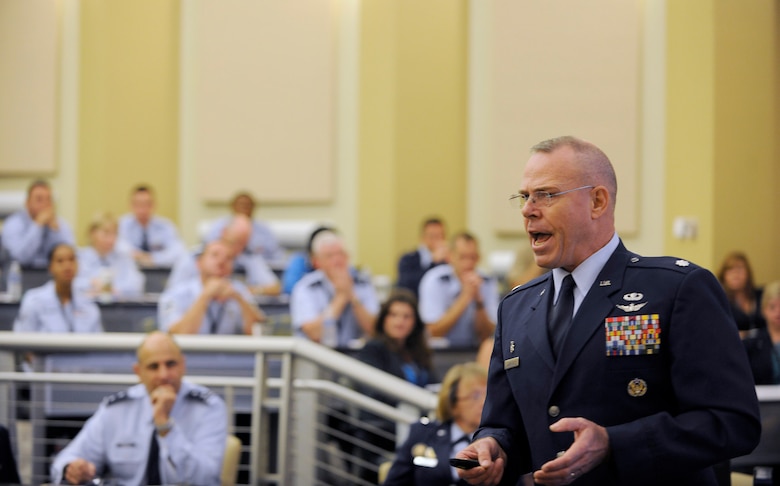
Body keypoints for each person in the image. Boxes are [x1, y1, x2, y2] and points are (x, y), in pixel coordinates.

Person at [455, 136, 760, 486]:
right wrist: (494, 447)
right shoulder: (516, 307)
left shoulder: (677, 289)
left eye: (547, 195)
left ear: (597, 201)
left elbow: (733, 422)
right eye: (525, 197)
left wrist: (614, 444)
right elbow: (506, 424)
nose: (528, 209)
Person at [50, 331, 227, 485]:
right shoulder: (117, 409)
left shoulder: (208, 407)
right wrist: (72, 468)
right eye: (153, 367)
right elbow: (67, 458)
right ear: (138, 372)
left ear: (183, 365)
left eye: (171, 364)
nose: (164, 375)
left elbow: (205, 478)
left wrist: (166, 427)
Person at [383, 362, 487, 486]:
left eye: (487, 395)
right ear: (453, 402)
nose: (484, 403)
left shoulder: (495, 440)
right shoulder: (423, 433)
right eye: (475, 396)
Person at [290, 231, 379, 347]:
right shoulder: (305, 288)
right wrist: (340, 298)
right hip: (316, 356)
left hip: (357, 357)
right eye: (330, 256)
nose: (338, 260)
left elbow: (375, 330)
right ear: (316, 262)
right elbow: (315, 333)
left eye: (341, 254)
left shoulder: (363, 284)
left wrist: (352, 296)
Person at [158, 240, 265, 335]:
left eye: (228, 258)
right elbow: (176, 336)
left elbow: (257, 333)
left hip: (231, 356)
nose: (222, 261)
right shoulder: (176, 294)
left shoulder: (239, 291)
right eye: (215, 255)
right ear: (198, 263)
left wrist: (238, 299)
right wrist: (205, 296)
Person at [418, 232, 499, 348]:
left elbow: (489, 335)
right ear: (450, 256)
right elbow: (433, 331)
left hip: (475, 350)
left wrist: (479, 302)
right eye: (462, 257)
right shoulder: (434, 280)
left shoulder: (487, 281)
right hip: (441, 353)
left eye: (473, 257)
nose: (468, 263)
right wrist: (465, 297)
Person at [168, 214, 281, 296]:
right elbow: (173, 292)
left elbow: (274, 287)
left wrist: (244, 291)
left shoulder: (248, 256)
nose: (237, 249)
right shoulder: (195, 256)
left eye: (243, 244)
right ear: (224, 232)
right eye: (235, 242)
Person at [13, 243, 102, 333]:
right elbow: (21, 339)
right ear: (50, 267)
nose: (67, 266)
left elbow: (98, 343)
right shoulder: (34, 301)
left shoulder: (89, 305)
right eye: (60, 261)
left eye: (71, 259)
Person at [2, 179, 75, 267]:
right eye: (39, 199)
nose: (45, 204)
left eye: (49, 199)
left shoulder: (61, 225)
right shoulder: (12, 225)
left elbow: (69, 258)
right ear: (27, 203)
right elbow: (19, 259)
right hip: (23, 275)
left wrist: (56, 232)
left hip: (51, 277)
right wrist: (37, 225)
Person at [204, 191, 286, 264]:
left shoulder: (264, 230)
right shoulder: (219, 225)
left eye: (248, 205)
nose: (244, 208)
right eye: (241, 204)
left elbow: (276, 255)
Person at [77, 212, 145, 299]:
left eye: (114, 234)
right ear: (92, 233)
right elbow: (70, 284)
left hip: (119, 309)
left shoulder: (124, 258)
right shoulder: (79, 258)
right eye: (106, 233)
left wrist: (115, 290)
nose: (111, 239)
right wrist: (90, 284)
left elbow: (137, 284)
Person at [117, 185, 187, 268]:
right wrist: (137, 255)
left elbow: (178, 251)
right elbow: (117, 247)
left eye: (146, 204)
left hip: (159, 272)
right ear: (131, 205)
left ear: (153, 205)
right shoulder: (121, 225)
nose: (142, 209)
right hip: (130, 271)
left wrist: (153, 259)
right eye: (138, 204)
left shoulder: (165, 226)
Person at [397, 217, 449, 296]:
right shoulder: (408, 259)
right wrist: (433, 262)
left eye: (440, 236)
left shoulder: (448, 260)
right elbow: (406, 285)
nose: (437, 240)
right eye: (432, 236)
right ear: (422, 237)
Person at [717, 251, 765, 336]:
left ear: (748, 273)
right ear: (723, 275)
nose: (735, 274)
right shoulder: (720, 300)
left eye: (740, 269)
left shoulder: (760, 295)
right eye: (730, 269)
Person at [742, 280, 780, 385]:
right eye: (772, 307)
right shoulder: (751, 343)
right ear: (763, 310)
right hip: (763, 399)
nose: (778, 312)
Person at [281, 225, 334, 295]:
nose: (335, 259)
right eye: (329, 255)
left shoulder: (343, 267)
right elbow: (290, 289)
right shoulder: (299, 261)